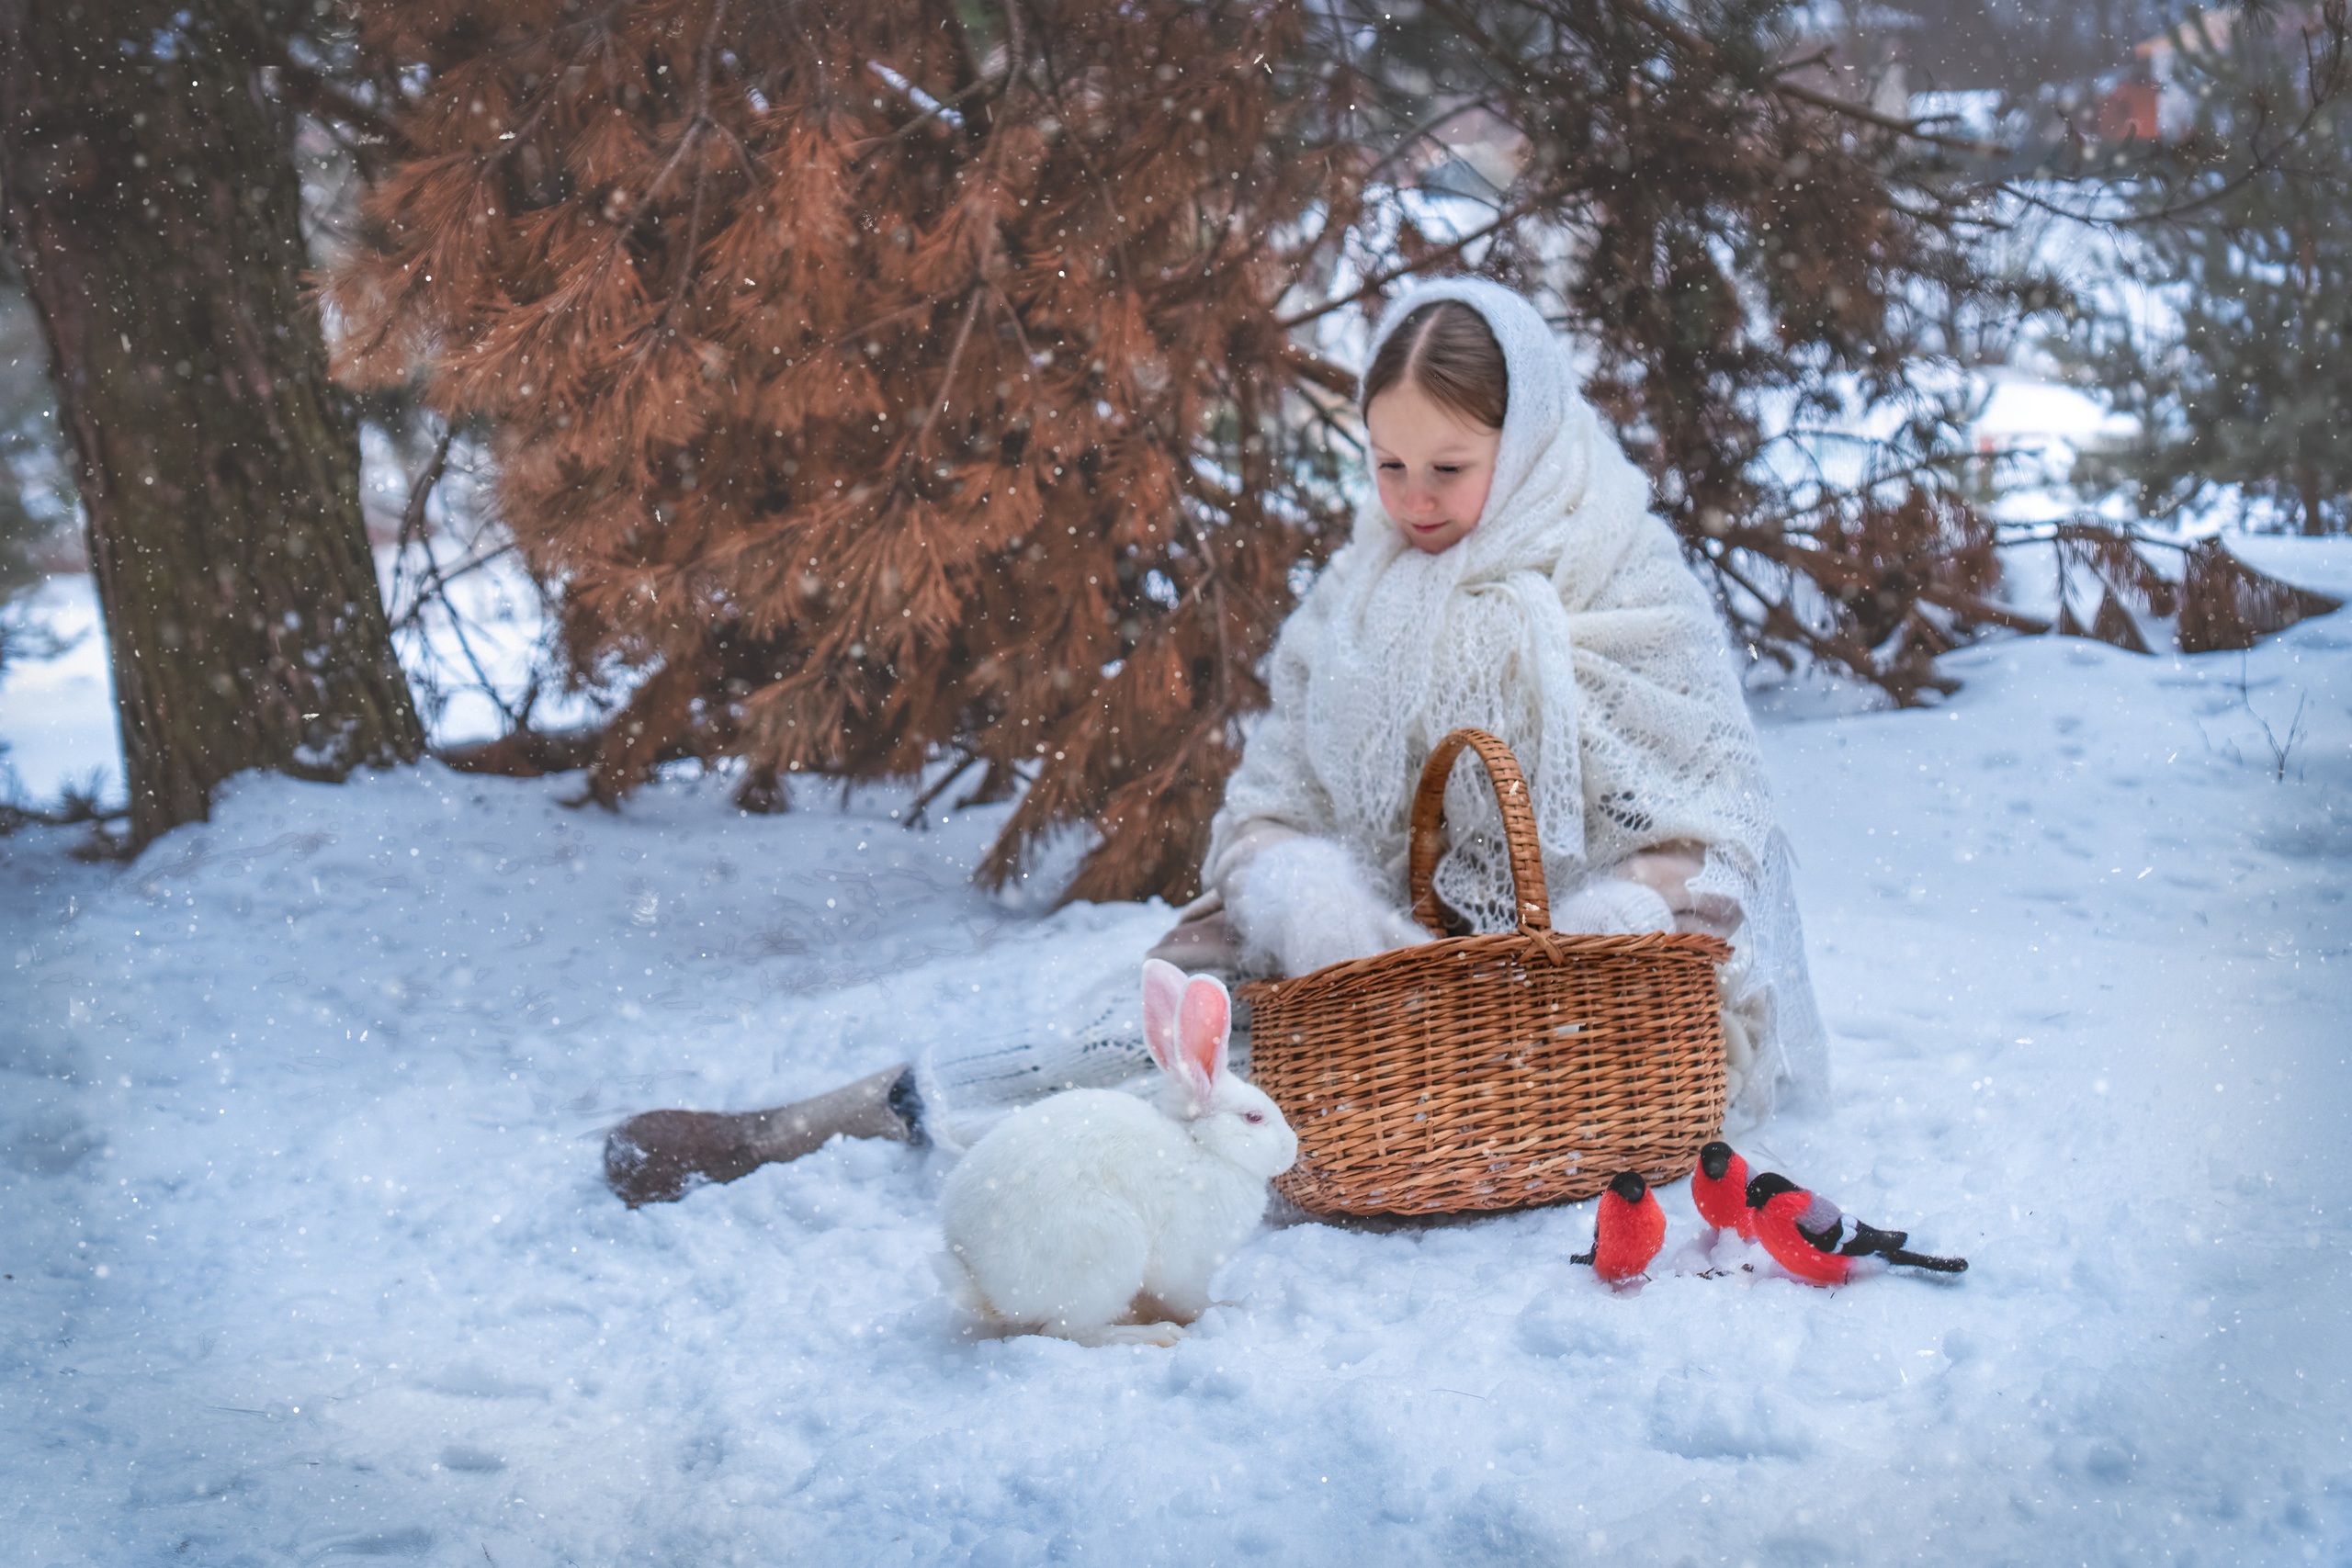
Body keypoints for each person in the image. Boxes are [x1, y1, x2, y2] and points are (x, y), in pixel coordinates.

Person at [604, 279, 1826, 1201]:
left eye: (1450, 465)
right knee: (1138, 1046)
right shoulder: (1362, 594)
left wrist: (1598, 929)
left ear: (1534, 438)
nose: (1414, 501)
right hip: (1374, 989)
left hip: (1596, 1017)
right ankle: (821, 1123)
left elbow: (1710, 831)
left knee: (1197, 1110)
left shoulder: (1624, 580)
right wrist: (1317, 905)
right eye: (1388, 463)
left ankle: (923, 1146)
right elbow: (1274, 800)